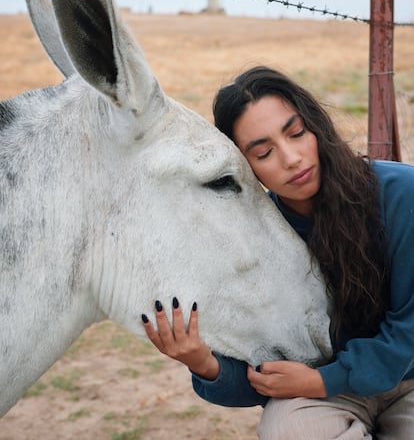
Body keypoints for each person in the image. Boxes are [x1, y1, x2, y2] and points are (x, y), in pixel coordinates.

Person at [140, 66, 414, 439]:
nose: (291, 158)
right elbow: (269, 376)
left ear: (315, 127)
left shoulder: (402, 194)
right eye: (264, 152)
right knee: (287, 429)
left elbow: (409, 332)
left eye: (296, 133)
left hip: (407, 378)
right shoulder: (252, 239)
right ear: (244, 168)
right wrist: (202, 362)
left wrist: (322, 379)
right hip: (331, 392)